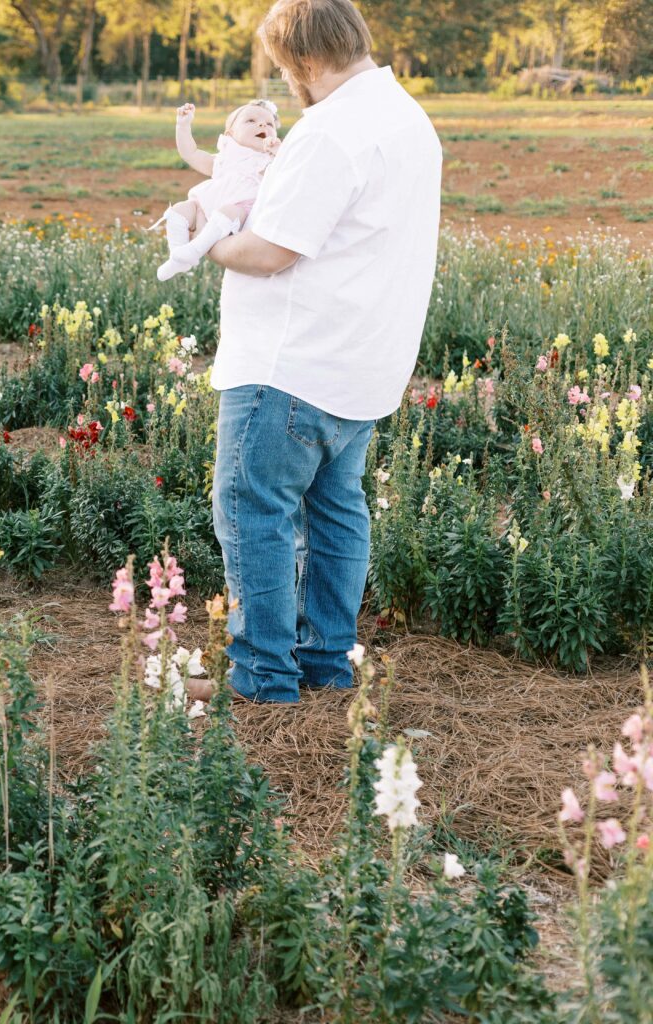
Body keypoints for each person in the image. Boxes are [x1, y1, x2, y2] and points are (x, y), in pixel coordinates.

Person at [200, 0, 442, 703]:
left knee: (253, 509)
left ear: (304, 61)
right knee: (336, 511)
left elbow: (270, 250)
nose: (289, 88)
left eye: (286, 71)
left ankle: (264, 678)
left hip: (292, 362)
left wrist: (199, 238)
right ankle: (328, 665)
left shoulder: (330, 132)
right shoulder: (408, 119)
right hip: (364, 361)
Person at [154, 99, 281, 282]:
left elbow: (289, 168)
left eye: (269, 123)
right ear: (230, 134)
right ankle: (177, 255)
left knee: (229, 211)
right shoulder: (223, 159)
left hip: (240, 212)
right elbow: (191, 153)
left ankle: (195, 249)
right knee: (179, 210)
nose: (262, 124)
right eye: (250, 121)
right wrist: (183, 125)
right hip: (207, 208)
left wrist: (278, 150)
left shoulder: (267, 161)